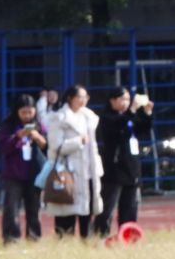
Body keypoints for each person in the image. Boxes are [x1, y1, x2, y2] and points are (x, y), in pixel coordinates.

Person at [42, 85, 102, 239]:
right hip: (68, 171)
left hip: (88, 171)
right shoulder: (59, 118)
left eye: (85, 97)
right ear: (70, 98)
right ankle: (64, 243)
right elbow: (56, 146)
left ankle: (87, 241)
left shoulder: (89, 117)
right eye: (80, 97)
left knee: (87, 211)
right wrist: (78, 141)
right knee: (65, 211)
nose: (83, 100)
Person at [94, 87, 151, 238]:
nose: (126, 102)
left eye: (128, 99)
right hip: (114, 168)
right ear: (112, 101)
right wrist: (132, 110)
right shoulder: (107, 117)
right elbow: (119, 125)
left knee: (130, 206)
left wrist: (147, 113)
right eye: (122, 99)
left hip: (131, 167)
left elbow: (142, 129)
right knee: (108, 206)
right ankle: (101, 235)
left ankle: (127, 235)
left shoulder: (128, 117)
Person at [0, 96, 48, 243]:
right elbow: (3, 147)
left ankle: (34, 236)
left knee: (34, 208)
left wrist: (37, 137)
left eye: (30, 112)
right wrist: (17, 137)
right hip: (14, 174)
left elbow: (48, 146)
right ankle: (11, 237)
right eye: (23, 112)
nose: (27, 116)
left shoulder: (39, 125)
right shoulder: (8, 125)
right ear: (16, 111)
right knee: (11, 208)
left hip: (34, 173)